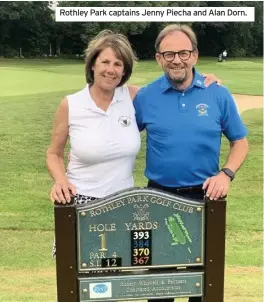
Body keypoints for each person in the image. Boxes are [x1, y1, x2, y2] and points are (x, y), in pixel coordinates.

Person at [133, 25, 248, 302]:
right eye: (169, 53)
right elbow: (121, 137)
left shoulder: (218, 93)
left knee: (202, 284)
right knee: (160, 285)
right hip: (157, 197)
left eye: (183, 52)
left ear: (195, 55)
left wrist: (226, 174)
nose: (176, 59)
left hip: (206, 197)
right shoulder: (146, 97)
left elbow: (240, 142)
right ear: (159, 58)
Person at [46, 30, 219, 205]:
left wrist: (200, 79)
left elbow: (169, 88)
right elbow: (54, 153)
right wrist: (61, 181)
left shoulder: (133, 96)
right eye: (105, 62)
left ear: (124, 71)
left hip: (125, 201)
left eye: (118, 64)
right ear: (92, 65)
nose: (110, 70)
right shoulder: (71, 104)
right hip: (80, 199)